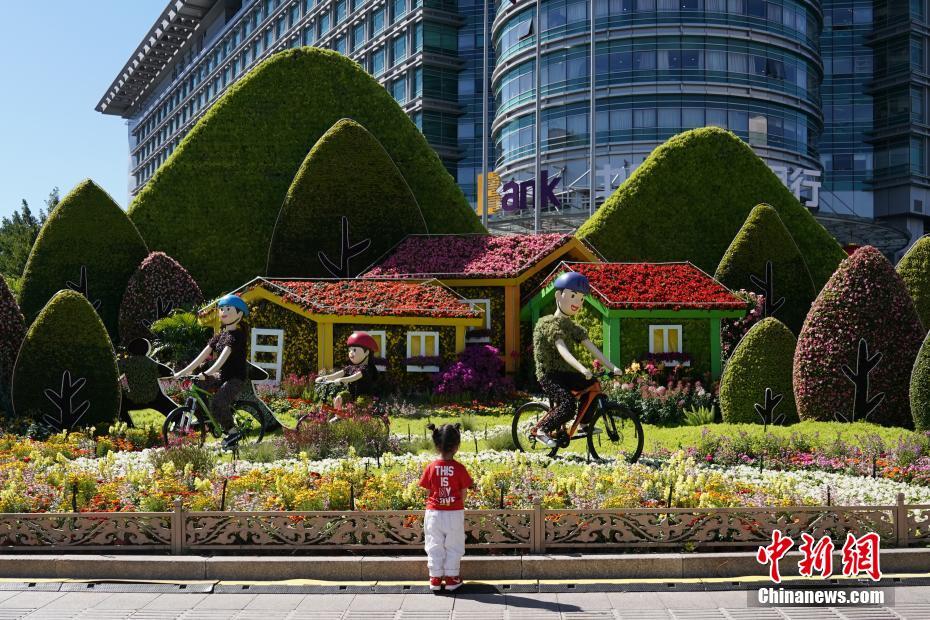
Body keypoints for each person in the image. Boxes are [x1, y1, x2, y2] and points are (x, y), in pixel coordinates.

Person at [532, 271, 622, 448]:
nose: (577, 303)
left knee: (594, 386)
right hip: (549, 375)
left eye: (581, 299)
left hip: (566, 373)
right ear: (559, 295)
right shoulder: (547, 323)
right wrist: (581, 368)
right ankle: (543, 430)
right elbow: (562, 350)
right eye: (573, 296)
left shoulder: (573, 327)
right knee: (568, 403)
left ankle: (584, 424)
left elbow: (592, 348)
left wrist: (612, 366)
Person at [174, 294, 250, 449]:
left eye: (228, 309)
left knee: (219, 401)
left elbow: (222, 358)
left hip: (235, 378)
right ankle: (206, 420)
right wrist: (182, 372)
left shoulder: (237, 335)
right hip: (221, 375)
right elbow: (202, 355)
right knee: (196, 387)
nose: (223, 312)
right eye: (221, 309)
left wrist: (207, 373)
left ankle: (232, 431)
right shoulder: (220, 335)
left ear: (240, 314)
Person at [419, 423, 473, 592]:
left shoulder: (431, 467)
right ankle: (451, 578)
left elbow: (427, 490)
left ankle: (435, 578)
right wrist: (457, 504)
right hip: (454, 512)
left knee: (434, 543)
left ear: (436, 445)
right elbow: (464, 492)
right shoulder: (459, 468)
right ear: (457, 446)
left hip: (433, 513)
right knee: (454, 544)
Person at [315, 331, 380, 409]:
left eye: (354, 350)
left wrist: (342, 380)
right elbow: (339, 373)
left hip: (364, 396)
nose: (351, 353)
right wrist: (325, 378)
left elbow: (356, 376)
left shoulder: (367, 368)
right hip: (351, 395)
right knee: (339, 398)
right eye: (349, 350)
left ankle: (361, 420)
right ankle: (338, 415)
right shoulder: (350, 367)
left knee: (359, 406)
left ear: (366, 352)